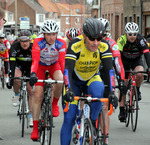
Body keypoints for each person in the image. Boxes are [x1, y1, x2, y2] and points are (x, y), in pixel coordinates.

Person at [61, 18, 118, 145]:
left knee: (99, 90)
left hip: (92, 78)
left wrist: (113, 91)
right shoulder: (75, 45)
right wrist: (68, 89)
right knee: (69, 118)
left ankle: (91, 123)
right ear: (84, 36)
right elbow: (67, 71)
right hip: (74, 82)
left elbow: (110, 70)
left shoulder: (104, 46)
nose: (96, 43)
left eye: (99, 39)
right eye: (92, 39)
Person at [29, 20, 67, 140]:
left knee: (60, 79)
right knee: (37, 95)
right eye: (48, 34)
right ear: (43, 34)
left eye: (54, 34)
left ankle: (54, 103)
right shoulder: (37, 42)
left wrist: (67, 77)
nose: (51, 37)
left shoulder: (61, 43)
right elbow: (35, 61)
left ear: (57, 34)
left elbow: (62, 62)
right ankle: (35, 128)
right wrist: (33, 74)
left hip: (53, 65)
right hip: (40, 66)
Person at [98, 17, 126, 143]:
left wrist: (121, 80)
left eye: (103, 34)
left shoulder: (112, 44)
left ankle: (105, 136)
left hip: (105, 73)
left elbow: (117, 63)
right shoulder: (88, 41)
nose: (101, 38)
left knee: (104, 106)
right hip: (90, 73)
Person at [117, 22, 150, 122]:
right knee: (124, 85)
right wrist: (118, 70)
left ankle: (138, 90)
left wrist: (149, 67)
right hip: (124, 61)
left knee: (139, 73)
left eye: (134, 34)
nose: (132, 36)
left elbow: (147, 54)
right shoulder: (121, 40)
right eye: (130, 34)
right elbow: (117, 56)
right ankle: (122, 110)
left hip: (136, 60)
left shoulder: (141, 40)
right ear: (126, 33)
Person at [7, 30, 34, 127]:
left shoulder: (33, 47)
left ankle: (31, 116)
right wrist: (11, 78)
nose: (25, 43)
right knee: (16, 78)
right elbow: (12, 64)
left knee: (30, 90)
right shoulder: (14, 47)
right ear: (19, 41)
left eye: (26, 41)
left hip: (30, 67)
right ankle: (17, 94)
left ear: (30, 40)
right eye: (22, 41)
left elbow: (36, 63)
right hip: (18, 66)